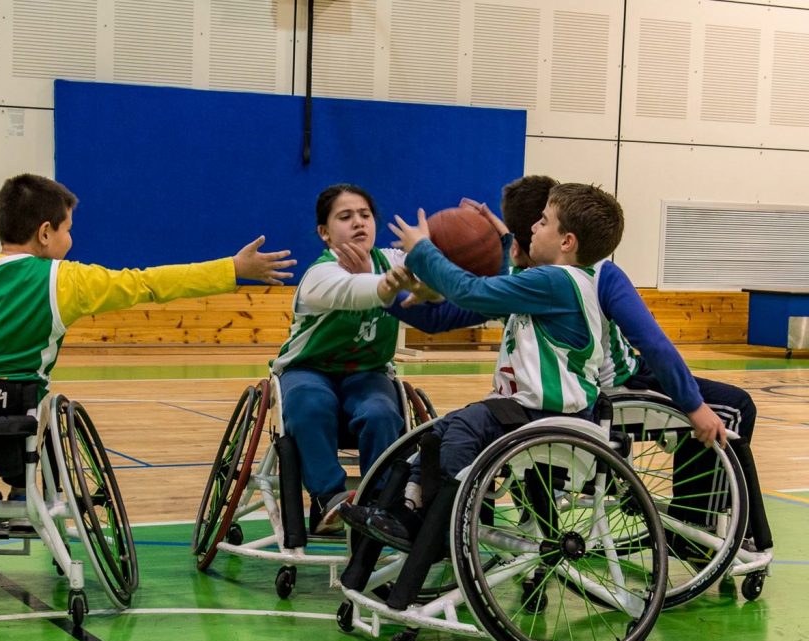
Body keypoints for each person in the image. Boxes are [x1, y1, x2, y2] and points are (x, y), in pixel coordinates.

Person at [370, 175, 771, 552]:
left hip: (616, 387)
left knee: (729, 408)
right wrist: (388, 295)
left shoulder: (590, 276)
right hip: (584, 401)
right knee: (735, 405)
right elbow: (449, 316)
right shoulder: (535, 275)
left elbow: (653, 343)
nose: (523, 235)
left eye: (535, 224)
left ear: (561, 238)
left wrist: (692, 403)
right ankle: (701, 527)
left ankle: (698, 530)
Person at [0, 172, 295, 501]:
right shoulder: (63, 280)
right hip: (16, 422)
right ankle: (23, 489)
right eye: (68, 229)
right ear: (45, 233)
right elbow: (148, 284)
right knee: (30, 407)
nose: (71, 239)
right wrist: (231, 268)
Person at [338, 182, 622, 610]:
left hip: (549, 419)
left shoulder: (559, 282)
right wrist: (496, 245)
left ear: (567, 242)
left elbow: (473, 291)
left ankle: (435, 527)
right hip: (525, 414)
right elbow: (472, 295)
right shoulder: (544, 281)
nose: (530, 229)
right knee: (438, 432)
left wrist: (422, 252)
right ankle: (402, 510)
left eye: (541, 223)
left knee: (465, 426)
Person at [270, 183, 406, 537]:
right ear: (325, 232)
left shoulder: (393, 261)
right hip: (309, 369)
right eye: (345, 217)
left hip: (367, 372)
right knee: (309, 404)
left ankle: (379, 504)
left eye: (365, 215)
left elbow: (439, 276)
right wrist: (381, 282)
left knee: (381, 412)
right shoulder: (319, 275)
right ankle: (329, 498)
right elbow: (355, 292)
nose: (359, 223)